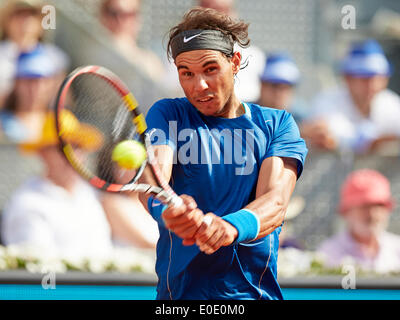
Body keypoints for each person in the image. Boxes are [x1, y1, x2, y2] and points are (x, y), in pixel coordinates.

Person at [140, 7, 307, 300]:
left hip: (252, 296)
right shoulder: (167, 114)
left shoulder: (277, 123)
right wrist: (169, 211)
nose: (198, 85)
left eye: (210, 69)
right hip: (179, 298)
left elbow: (276, 203)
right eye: (186, 73)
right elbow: (153, 182)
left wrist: (230, 226)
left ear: (235, 62)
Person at [1, 111, 114, 260]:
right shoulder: (27, 204)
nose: (72, 156)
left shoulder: (89, 194)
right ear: (42, 154)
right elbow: (41, 273)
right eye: (62, 148)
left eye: (77, 147)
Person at [302, 39, 400, 153]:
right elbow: (336, 137)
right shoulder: (326, 101)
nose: (373, 85)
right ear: (347, 78)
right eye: (365, 78)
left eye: (379, 77)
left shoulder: (391, 103)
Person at [318, 169, 400, 273]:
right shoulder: (328, 255)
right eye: (365, 206)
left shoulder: (397, 249)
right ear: (347, 212)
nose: (373, 214)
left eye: (379, 206)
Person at [99, 0, 166, 84]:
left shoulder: (150, 62)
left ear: (138, 19)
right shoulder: (91, 54)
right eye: (114, 13)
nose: (120, 20)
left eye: (129, 14)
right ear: (103, 16)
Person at [0, 45, 56, 143]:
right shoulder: (3, 124)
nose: (35, 88)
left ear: (50, 84)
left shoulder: (64, 122)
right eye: (28, 80)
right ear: (16, 83)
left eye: (41, 81)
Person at [258, 52, 307, 124]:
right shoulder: (245, 115)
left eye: (286, 87)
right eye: (274, 85)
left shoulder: (302, 117)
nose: (279, 93)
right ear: (262, 86)